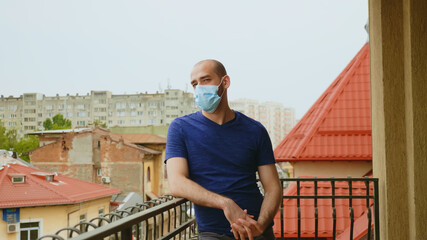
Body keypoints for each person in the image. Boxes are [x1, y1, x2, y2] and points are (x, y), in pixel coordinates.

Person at [165, 59, 282, 240]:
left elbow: (273, 187)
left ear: (225, 82)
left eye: (205, 80)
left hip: (258, 230)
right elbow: (177, 183)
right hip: (213, 233)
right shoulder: (180, 128)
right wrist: (225, 204)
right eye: (195, 84)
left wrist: (261, 225)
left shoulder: (255, 130)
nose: (199, 88)